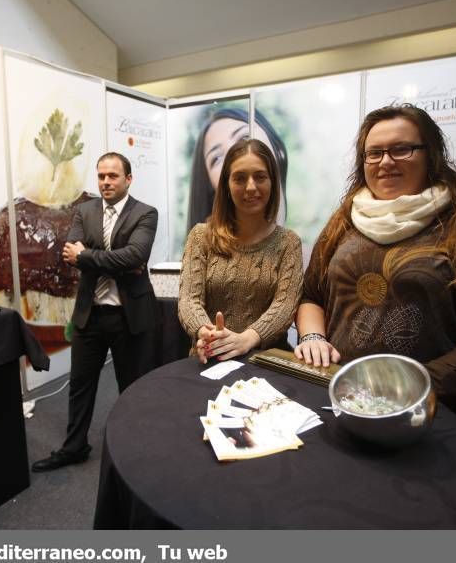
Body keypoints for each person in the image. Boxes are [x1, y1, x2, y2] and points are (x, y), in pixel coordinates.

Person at [294, 104, 456, 431]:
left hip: (431, 415)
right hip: (339, 400)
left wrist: (416, 383)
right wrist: (312, 337)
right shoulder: (342, 223)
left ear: (431, 155)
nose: (386, 161)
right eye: (374, 153)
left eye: (401, 149)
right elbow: (312, 295)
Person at [32, 152, 158, 471]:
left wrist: (89, 255)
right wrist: (119, 261)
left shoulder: (145, 213)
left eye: (113, 176)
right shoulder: (85, 211)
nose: (105, 182)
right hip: (90, 314)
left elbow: (135, 255)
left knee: (130, 386)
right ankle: (74, 447)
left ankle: (134, 446)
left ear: (128, 179)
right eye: (101, 176)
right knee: (80, 385)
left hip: (127, 316)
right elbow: (71, 255)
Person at [179, 138, 303, 363]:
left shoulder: (288, 243)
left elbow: (284, 307)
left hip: (266, 362)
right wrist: (205, 333)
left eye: (260, 176)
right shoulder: (200, 236)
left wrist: (246, 339)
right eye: (240, 178)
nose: (251, 187)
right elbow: (189, 300)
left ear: (273, 182)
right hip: (211, 357)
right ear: (226, 184)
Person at [187, 108, 288, 233]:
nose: (234, 157)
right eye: (217, 158)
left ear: (279, 151)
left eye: (244, 138)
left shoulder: (298, 248)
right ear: (212, 188)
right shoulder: (201, 242)